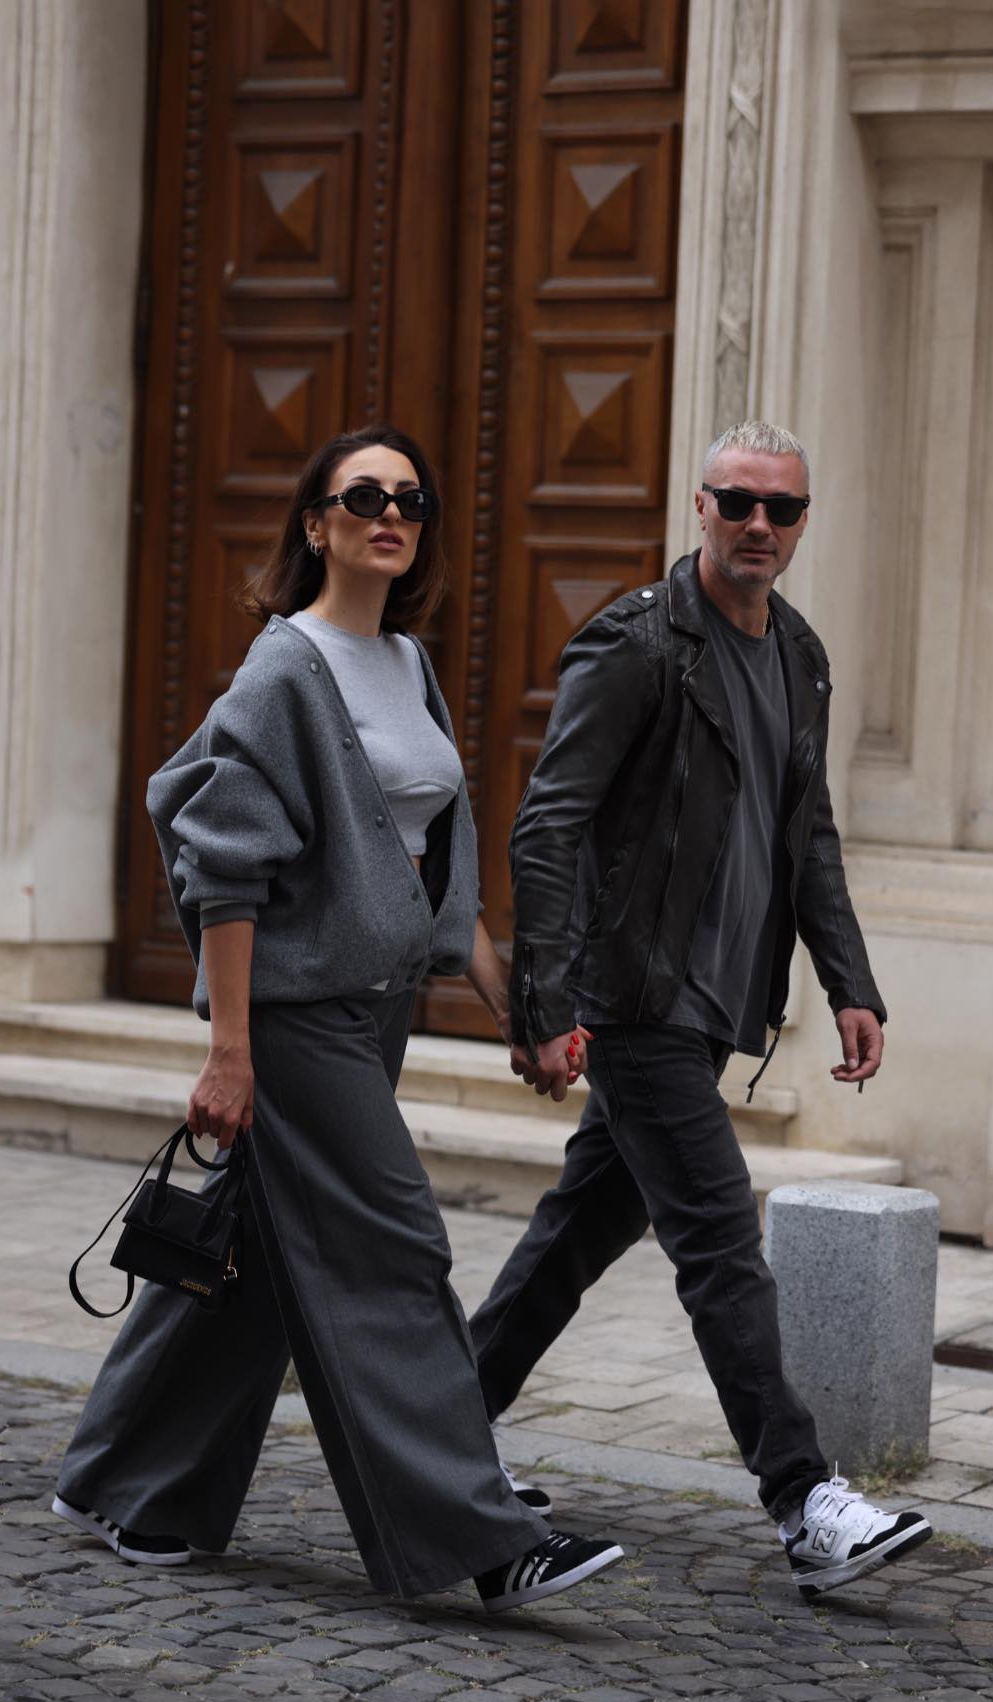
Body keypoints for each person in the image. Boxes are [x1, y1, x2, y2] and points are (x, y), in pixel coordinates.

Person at [53, 426, 622, 1614]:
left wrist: (516, 1012)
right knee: (394, 1244)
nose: (390, 514)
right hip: (293, 1015)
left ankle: (126, 1485)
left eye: (410, 498)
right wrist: (229, 1052)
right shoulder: (284, 672)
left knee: (262, 1258)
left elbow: (436, 876)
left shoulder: (405, 664)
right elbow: (223, 868)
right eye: (363, 496)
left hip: (376, 1011)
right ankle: (479, 1537)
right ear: (315, 524)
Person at [468, 420, 932, 1598]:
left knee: (578, 1234)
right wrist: (544, 1002)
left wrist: (850, 982)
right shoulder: (639, 644)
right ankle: (803, 1499)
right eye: (738, 502)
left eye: (782, 508)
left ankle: (438, 1434)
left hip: (719, 1000)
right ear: (701, 506)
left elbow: (807, 832)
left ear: (803, 521)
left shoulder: (800, 654)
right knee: (722, 1245)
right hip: (638, 997)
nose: (759, 526)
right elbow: (548, 826)